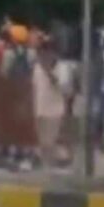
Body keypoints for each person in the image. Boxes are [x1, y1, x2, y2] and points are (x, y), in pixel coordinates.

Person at [33, 40, 69, 169]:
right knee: (41, 143)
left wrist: (49, 72)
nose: (44, 57)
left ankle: (56, 163)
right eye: (41, 54)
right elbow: (34, 86)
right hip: (39, 108)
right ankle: (48, 165)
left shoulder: (62, 68)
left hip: (55, 111)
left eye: (47, 53)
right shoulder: (37, 67)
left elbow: (64, 88)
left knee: (50, 142)